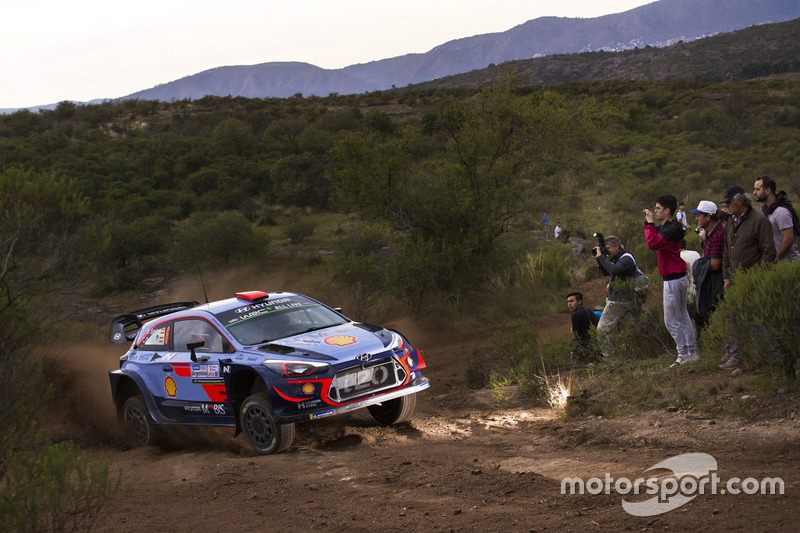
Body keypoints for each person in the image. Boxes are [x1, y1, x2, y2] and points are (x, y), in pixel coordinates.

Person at [719, 185, 776, 369]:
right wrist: (727, 277)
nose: (726, 206)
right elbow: (727, 250)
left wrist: (756, 277)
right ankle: (745, 357)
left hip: (754, 280)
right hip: (736, 281)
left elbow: (768, 252)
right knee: (739, 319)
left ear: (740, 200)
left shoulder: (759, 220)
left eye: (729, 202)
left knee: (759, 320)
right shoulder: (731, 221)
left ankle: (769, 358)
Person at [643, 194, 698, 367]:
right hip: (677, 277)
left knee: (671, 320)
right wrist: (651, 224)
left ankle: (683, 354)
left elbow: (652, 243)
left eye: (658, 208)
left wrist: (650, 223)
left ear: (667, 210)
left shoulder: (670, 230)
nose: (655, 211)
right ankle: (691, 352)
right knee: (683, 316)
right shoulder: (671, 227)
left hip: (673, 279)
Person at [592, 235, 638, 358]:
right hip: (624, 299)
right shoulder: (617, 259)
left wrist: (602, 256)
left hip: (620, 300)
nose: (607, 251)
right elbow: (606, 272)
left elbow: (613, 270)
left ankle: (608, 356)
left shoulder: (626, 259)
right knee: (626, 329)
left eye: (608, 248)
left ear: (617, 246)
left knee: (602, 329)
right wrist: (599, 258)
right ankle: (628, 355)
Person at [690, 200, 725, 341]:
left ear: (708, 217)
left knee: (714, 312)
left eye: (699, 215)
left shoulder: (718, 234)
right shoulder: (710, 233)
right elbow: (707, 256)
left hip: (718, 281)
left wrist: (700, 268)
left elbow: (715, 264)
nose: (697, 218)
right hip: (712, 280)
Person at [753, 176, 800, 262]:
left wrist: (777, 259)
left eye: (757, 189)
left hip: (789, 263)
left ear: (767, 190)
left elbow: (788, 239)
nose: (754, 192)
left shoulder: (780, 212)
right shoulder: (767, 211)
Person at [566, 291, 599, 360]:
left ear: (579, 301)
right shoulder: (588, 310)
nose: (569, 304)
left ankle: (578, 360)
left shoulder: (575, 314)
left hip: (589, 344)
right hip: (598, 341)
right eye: (568, 302)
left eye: (572, 301)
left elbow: (575, 336)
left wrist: (573, 330)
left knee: (571, 341)